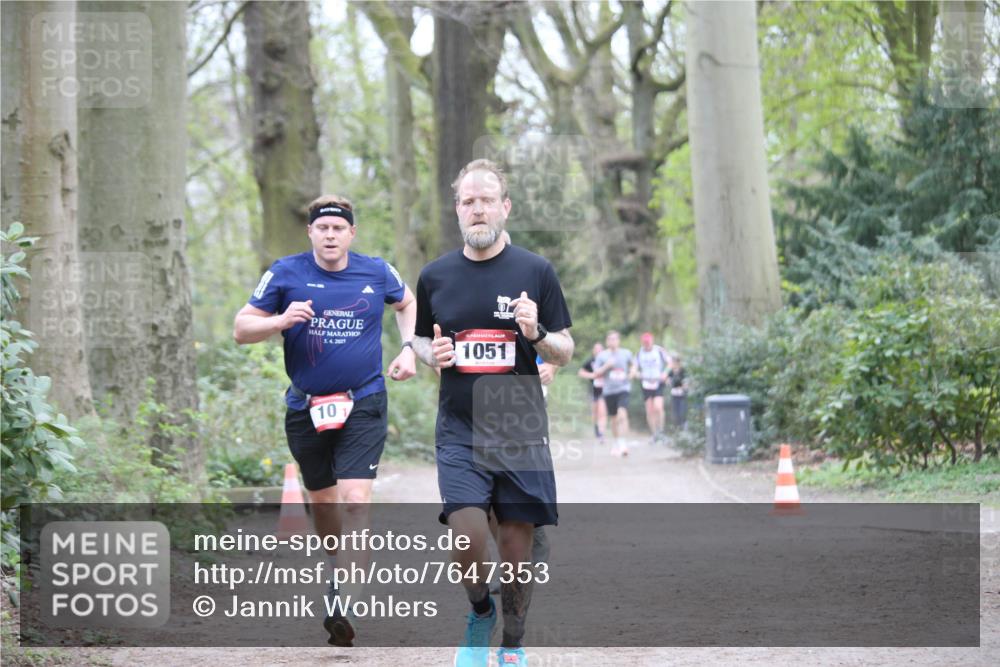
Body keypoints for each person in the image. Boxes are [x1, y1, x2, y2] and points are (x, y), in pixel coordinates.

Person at [232, 194, 417, 647]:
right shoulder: (285, 273)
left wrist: (409, 347)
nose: (330, 235)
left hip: (364, 401)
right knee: (324, 505)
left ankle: (343, 600)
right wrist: (279, 320)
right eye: (323, 229)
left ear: (351, 234)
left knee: (355, 500)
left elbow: (407, 303)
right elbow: (240, 329)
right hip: (305, 407)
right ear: (311, 233)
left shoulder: (377, 271)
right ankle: (339, 567)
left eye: (339, 228)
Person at [411, 159, 574, 667]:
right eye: (467, 201)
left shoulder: (535, 271)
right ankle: (481, 611)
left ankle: (513, 643)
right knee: (467, 533)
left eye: (486, 200)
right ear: (457, 210)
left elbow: (565, 349)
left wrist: (538, 334)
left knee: (516, 550)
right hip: (459, 424)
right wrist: (427, 355)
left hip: (518, 421)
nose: (476, 209)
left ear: (504, 207)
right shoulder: (435, 276)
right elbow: (418, 337)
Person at [593, 330, 635, 456]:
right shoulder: (602, 356)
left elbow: (633, 365)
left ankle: (623, 443)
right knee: (614, 418)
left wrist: (632, 372)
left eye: (615, 339)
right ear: (607, 341)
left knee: (623, 413)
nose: (613, 341)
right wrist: (606, 366)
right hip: (609, 391)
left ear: (619, 341)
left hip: (623, 388)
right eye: (610, 339)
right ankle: (616, 442)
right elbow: (596, 373)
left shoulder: (626, 353)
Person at [634, 332, 670, 444]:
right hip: (646, 384)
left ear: (652, 341)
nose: (647, 345)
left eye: (648, 343)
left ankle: (661, 431)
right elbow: (634, 368)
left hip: (658, 382)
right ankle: (654, 434)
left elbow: (670, 363)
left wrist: (665, 373)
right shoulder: (639, 353)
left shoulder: (659, 350)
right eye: (645, 343)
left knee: (658, 407)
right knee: (650, 410)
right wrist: (636, 373)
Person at [577, 342, 607, 443]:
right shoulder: (590, 361)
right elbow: (580, 372)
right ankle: (596, 429)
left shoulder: (606, 361)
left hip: (605, 389)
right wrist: (592, 376)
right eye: (596, 349)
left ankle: (601, 434)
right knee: (595, 412)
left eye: (600, 349)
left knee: (602, 411)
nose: (598, 351)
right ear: (593, 351)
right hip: (593, 390)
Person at [668, 354, 689, 430]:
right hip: (674, 395)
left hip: (682, 395)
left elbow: (686, 384)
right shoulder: (671, 372)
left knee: (682, 412)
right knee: (675, 413)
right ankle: (677, 429)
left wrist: (682, 387)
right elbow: (669, 382)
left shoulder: (683, 371)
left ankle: (684, 428)